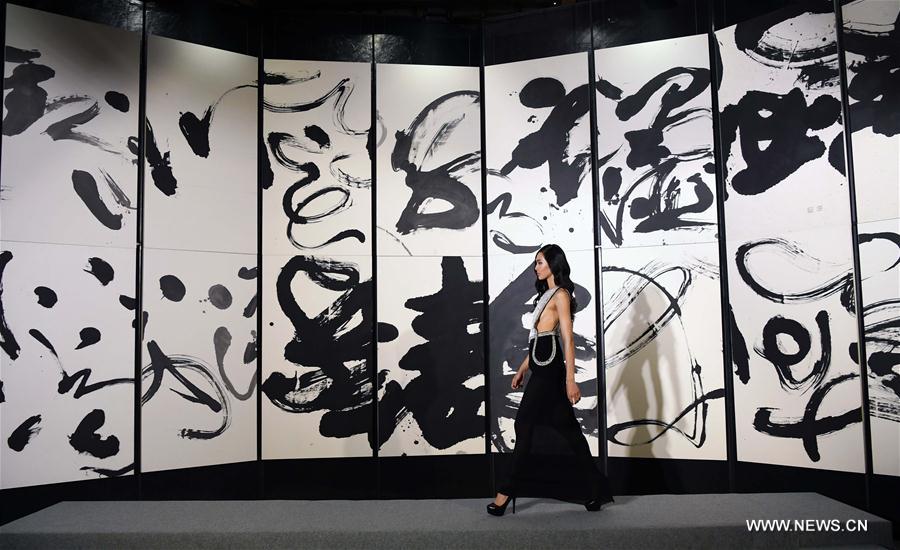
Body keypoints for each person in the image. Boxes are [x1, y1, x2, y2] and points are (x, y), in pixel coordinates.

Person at [487, 244, 614, 516]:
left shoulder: (561, 295)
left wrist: (570, 379)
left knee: (524, 423)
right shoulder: (545, 295)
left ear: (554, 264)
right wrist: (523, 368)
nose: (536, 267)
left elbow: (566, 337)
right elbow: (536, 339)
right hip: (539, 362)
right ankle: (596, 490)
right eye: (536, 263)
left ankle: (505, 492)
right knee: (568, 431)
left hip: (552, 366)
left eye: (540, 262)